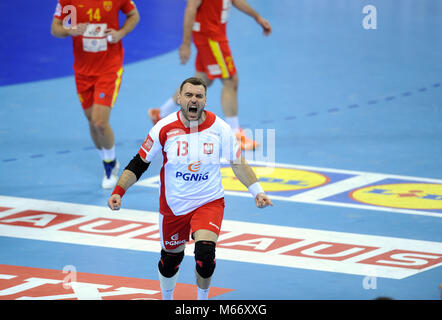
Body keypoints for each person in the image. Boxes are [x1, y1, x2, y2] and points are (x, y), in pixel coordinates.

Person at [108, 77, 273, 300]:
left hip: (209, 201)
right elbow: (140, 162)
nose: (193, 100)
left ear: (205, 100)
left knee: (205, 255)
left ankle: (201, 302)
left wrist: (257, 191)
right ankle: (167, 298)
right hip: (174, 205)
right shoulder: (163, 128)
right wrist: (118, 191)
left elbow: (237, 162)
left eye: (199, 96)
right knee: (170, 261)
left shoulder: (220, 128)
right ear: (179, 99)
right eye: (188, 95)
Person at [148, 0, 272, 151]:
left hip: (213, 34)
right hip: (211, 37)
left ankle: (161, 113)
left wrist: (257, 17)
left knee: (202, 80)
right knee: (230, 81)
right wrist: (186, 44)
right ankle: (235, 135)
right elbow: (191, 8)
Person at [51, 0, 140, 189]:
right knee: (91, 121)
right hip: (83, 72)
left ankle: (110, 164)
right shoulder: (69, 2)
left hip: (109, 68)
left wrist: (121, 33)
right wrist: (69, 30)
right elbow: (55, 28)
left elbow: (134, 15)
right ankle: (107, 160)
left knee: (100, 121)